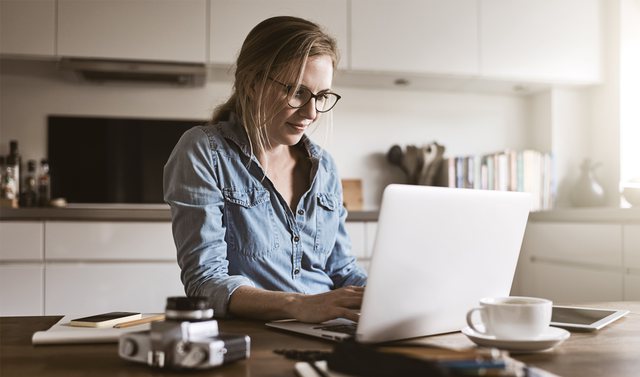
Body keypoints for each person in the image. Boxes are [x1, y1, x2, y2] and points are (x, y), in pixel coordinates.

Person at [163, 16, 367, 323]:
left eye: (321, 96)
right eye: (297, 92)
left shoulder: (324, 167)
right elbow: (204, 282)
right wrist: (297, 304)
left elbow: (342, 270)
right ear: (252, 82)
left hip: (331, 330)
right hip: (255, 335)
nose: (311, 112)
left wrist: (385, 296)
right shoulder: (204, 151)